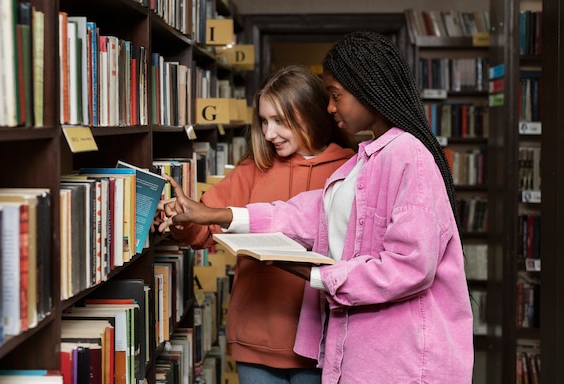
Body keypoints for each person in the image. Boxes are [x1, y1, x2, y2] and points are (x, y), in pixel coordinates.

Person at [158, 31, 474, 384]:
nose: (331, 107)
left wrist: (316, 275)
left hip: (396, 355)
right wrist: (213, 214)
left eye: (336, 95)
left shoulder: (404, 156)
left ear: (368, 90)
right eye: (264, 121)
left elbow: (409, 265)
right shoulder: (365, 161)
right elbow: (305, 214)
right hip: (351, 348)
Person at [156, 64, 355, 384]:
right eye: (263, 121)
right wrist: (180, 218)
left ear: (313, 113)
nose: (268, 133)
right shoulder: (254, 167)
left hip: (322, 341)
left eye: (280, 121)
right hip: (255, 338)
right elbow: (204, 226)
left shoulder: (349, 167)